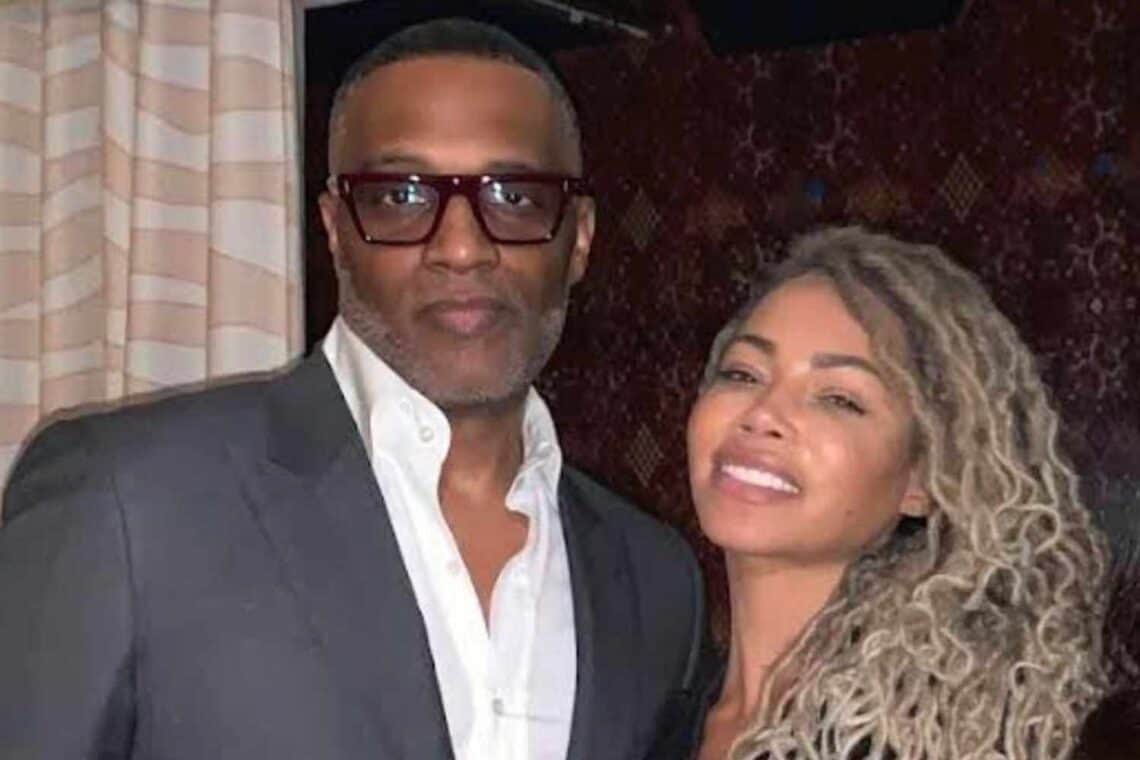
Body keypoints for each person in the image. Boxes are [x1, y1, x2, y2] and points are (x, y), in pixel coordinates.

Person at [0, 18, 706, 760]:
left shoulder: (654, 583)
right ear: (336, 228)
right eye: (400, 195)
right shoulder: (129, 503)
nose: (461, 247)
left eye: (513, 196)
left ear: (580, 237)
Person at [669, 227, 1107, 759]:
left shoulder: (942, 743)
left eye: (839, 399)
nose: (762, 414)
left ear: (923, 482)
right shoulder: (654, 715)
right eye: (742, 373)